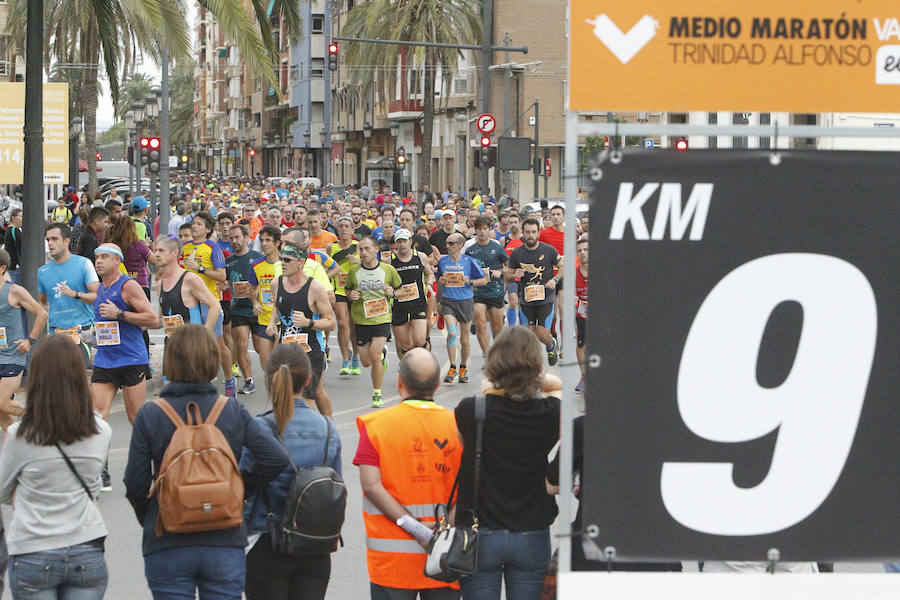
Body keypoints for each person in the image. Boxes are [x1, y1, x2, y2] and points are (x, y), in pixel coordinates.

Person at [124, 324, 289, 599]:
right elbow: (275, 458)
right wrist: (235, 490)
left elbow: (135, 483)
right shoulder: (232, 410)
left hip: (168, 539)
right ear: (213, 361)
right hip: (223, 535)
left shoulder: (151, 414)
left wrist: (155, 513)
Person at [0, 335, 112, 599]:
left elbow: (3, 491)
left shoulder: (20, 434)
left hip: (33, 548)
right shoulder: (100, 430)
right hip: (86, 545)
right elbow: (93, 487)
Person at [454, 327, 560, 599]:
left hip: (480, 531)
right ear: (536, 367)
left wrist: (497, 381)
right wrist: (531, 376)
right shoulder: (549, 413)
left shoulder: (471, 410)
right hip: (531, 529)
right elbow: (556, 386)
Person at [354, 349, 460, 600]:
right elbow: (468, 485)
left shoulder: (375, 427)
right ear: (436, 384)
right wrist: (442, 530)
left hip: (392, 566)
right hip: (443, 557)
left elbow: (370, 485)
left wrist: (415, 528)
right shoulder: (458, 425)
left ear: (400, 382)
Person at [241, 343, 342, 599]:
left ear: (269, 378)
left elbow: (243, 491)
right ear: (308, 380)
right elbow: (335, 488)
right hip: (314, 545)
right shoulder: (328, 430)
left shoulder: (258, 430)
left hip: (267, 540)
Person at [90, 243, 158, 431]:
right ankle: (100, 461)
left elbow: (152, 319)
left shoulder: (128, 286)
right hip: (105, 360)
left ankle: (150, 458)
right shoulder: (99, 289)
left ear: (117, 260)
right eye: (97, 258)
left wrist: (120, 314)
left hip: (131, 358)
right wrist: (93, 334)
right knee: (97, 417)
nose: (99, 261)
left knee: (136, 418)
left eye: (104, 257)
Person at [267, 241, 336, 414]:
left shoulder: (315, 288)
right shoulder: (276, 284)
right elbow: (277, 306)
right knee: (290, 394)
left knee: (308, 397)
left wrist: (309, 322)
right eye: (281, 259)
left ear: (300, 263)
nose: (282, 263)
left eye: (287, 260)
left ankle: (326, 428)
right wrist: (271, 322)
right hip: (287, 348)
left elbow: (330, 322)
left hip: (311, 348)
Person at [183, 212, 237, 398]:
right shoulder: (185, 247)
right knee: (192, 345)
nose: (194, 226)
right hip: (189, 303)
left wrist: (200, 269)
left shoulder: (212, 248)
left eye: (199, 224)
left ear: (208, 229)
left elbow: (222, 276)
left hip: (209, 302)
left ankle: (230, 381)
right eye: (193, 223)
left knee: (217, 345)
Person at [346, 236, 402, 407]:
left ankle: (377, 393)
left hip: (381, 318)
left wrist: (392, 293)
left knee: (374, 356)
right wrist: (351, 295)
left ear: (377, 249)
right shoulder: (354, 271)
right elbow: (347, 290)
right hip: (361, 320)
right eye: (360, 249)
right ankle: (382, 354)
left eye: (367, 248)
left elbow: (400, 291)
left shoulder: (388, 270)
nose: (363, 253)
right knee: (366, 362)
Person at [38, 223, 99, 369]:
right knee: (57, 380)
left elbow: (97, 296)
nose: (50, 243)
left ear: (66, 241)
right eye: (48, 240)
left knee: (77, 379)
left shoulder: (83, 264)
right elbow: (43, 302)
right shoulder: (43, 271)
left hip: (80, 332)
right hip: (56, 333)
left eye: (54, 239)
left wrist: (75, 294)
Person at [0, 249, 47, 429]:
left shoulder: (14, 291)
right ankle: (18, 442)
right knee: (1, 411)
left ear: (2, 268)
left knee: (2, 403)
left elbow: (41, 314)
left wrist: (30, 340)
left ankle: (40, 416)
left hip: (13, 355)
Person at [508, 218, 562, 366]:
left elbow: (563, 265)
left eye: (533, 232)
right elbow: (508, 275)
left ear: (538, 233)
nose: (530, 235)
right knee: (528, 333)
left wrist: (555, 279)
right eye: (527, 232)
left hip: (546, 298)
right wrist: (513, 275)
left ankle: (550, 345)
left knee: (542, 332)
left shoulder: (548, 250)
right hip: (526, 299)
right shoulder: (517, 253)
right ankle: (531, 365)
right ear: (523, 234)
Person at [436, 233, 487, 383]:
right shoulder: (443, 261)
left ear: (460, 245)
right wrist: (441, 280)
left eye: (451, 243)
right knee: (451, 333)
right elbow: (439, 279)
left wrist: (469, 281)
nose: (448, 246)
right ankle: (452, 367)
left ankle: (463, 367)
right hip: (448, 301)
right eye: (447, 243)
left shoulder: (468, 261)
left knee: (465, 340)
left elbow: (484, 280)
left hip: (465, 301)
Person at [155, 235, 222, 338]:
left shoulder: (189, 279)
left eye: (161, 250)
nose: (156, 254)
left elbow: (215, 306)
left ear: (175, 252)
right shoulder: (160, 284)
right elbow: (160, 320)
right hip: (171, 344)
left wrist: (204, 336)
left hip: (191, 344)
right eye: (155, 250)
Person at [226, 224, 264, 394]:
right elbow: (223, 281)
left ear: (246, 238)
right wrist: (223, 285)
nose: (234, 241)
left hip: (257, 309)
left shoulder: (258, 258)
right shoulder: (228, 262)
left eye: (237, 237)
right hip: (238, 309)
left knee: (259, 348)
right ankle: (248, 381)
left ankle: (277, 374)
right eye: (231, 238)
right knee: (241, 344)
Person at [465, 217, 509, 357]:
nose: (482, 232)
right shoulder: (470, 250)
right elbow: (466, 269)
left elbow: (509, 268)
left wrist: (500, 271)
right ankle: (488, 355)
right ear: (475, 230)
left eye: (485, 229)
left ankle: (498, 353)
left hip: (495, 291)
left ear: (489, 230)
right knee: (480, 324)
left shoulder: (497, 248)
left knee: (497, 328)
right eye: (479, 229)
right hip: (478, 292)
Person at [390, 229, 433, 357]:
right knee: (406, 345)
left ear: (410, 241)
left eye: (404, 241)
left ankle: (425, 363)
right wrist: (389, 291)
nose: (402, 244)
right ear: (395, 244)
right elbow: (384, 280)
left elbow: (429, 273)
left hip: (418, 304)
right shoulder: (389, 261)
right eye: (399, 241)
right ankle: (408, 370)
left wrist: (429, 284)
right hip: (399, 306)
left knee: (420, 340)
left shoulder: (420, 257)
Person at [328, 217, 361, 375]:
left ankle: (355, 356)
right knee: (342, 323)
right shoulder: (331, 248)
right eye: (340, 226)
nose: (343, 229)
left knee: (354, 326)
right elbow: (325, 267)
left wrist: (358, 263)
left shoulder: (359, 247)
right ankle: (345, 360)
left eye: (347, 226)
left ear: (353, 230)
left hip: (355, 291)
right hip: (339, 291)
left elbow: (370, 265)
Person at [250, 224, 283, 374]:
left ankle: (282, 394)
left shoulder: (286, 264)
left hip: (282, 320)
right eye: (262, 240)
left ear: (277, 243)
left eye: (268, 240)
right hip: (263, 319)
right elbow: (252, 289)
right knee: (266, 365)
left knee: (279, 362)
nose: (264, 244)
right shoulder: (256, 265)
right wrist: (255, 302)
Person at [574, 236, 588, 392]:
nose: (583, 253)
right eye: (580, 251)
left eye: (586, 250)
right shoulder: (574, 273)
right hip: (582, 313)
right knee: (580, 344)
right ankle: (584, 377)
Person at [3, 208, 22, 284]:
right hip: (16, 266)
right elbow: (21, 248)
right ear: (13, 218)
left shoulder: (9, 230)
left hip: (11, 265)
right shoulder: (15, 230)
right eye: (21, 216)